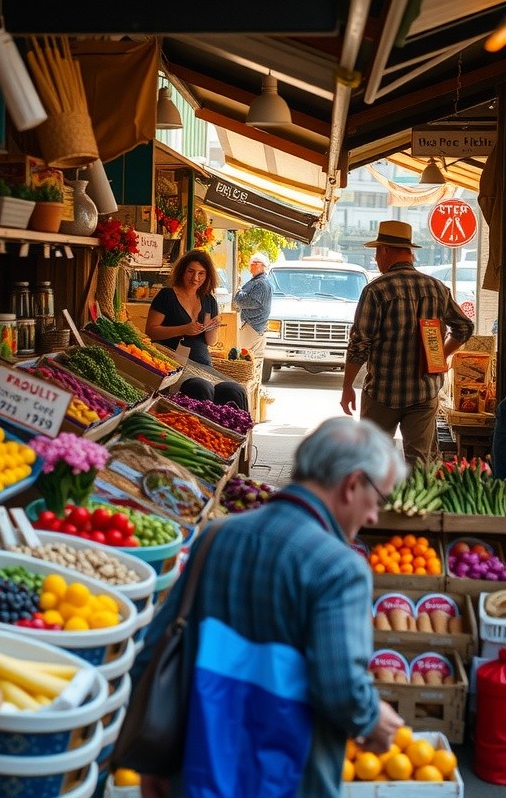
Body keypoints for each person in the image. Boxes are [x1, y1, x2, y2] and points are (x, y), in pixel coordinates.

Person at [131, 416, 406, 798]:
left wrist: (150, 761)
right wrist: (373, 720)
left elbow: (157, 641)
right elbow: (340, 687)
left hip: (195, 765)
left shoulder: (215, 535)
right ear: (352, 484)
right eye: (377, 499)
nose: (374, 514)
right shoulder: (340, 568)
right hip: (288, 777)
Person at [340, 220, 474, 465]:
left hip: (383, 392)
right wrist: (440, 355)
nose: (376, 259)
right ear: (410, 253)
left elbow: (359, 344)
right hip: (424, 393)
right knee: (420, 463)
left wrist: (347, 386)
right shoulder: (437, 288)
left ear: (385, 251)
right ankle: (416, 504)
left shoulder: (376, 290)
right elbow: (465, 327)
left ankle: (379, 503)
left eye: (377, 252)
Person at [145, 248, 249, 410]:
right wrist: (183, 329)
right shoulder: (167, 296)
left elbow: (211, 341)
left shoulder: (209, 300)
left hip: (203, 365)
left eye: (201, 273)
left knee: (235, 390)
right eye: (191, 271)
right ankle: (200, 431)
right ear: (182, 271)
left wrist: (212, 326)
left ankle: (232, 433)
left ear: (208, 276)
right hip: (173, 364)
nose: (195, 278)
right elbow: (151, 331)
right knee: (201, 387)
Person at [231, 251, 273, 373]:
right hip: (256, 326)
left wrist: (239, 294)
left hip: (252, 326)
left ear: (260, 265)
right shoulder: (261, 281)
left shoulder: (260, 283)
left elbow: (247, 302)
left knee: (243, 358)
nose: (250, 267)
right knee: (254, 360)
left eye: (253, 264)